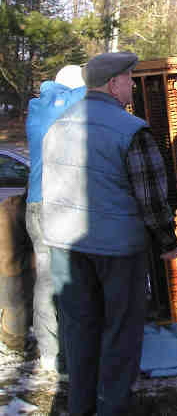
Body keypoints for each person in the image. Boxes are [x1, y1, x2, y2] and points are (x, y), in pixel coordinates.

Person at [42, 52, 177, 416]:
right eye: (130, 79)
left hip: (65, 246)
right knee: (121, 333)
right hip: (117, 250)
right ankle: (113, 407)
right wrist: (167, 241)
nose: (133, 85)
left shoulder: (59, 124)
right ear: (114, 83)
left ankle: (80, 407)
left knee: (79, 331)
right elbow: (152, 197)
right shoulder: (131, 129)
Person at [25, 65, 87, 374]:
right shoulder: (66, 105)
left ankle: (49, 352)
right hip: (56, 207)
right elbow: (92, 92)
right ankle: (67, 353)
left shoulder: (37, 108)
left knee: (45, 281)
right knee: (64, 281)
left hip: (35, 205)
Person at [0, 191, 34, 352]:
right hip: (13, 268)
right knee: (16, 305)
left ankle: (12, 336)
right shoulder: (22, 211)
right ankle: (16, 343)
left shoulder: (10, 206)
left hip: (8, 265)